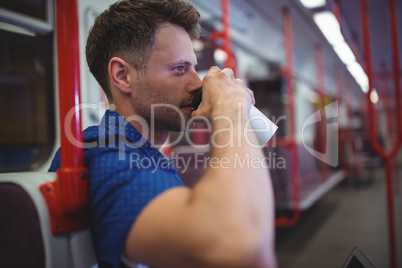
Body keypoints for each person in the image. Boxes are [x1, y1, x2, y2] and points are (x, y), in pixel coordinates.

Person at [49, 0, 277, 267]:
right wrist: (230, 111)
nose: (195, 83)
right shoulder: (104, 153)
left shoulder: (145, 153)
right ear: (122, 76)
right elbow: (240, 248)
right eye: (179, 69)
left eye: (193, 68)